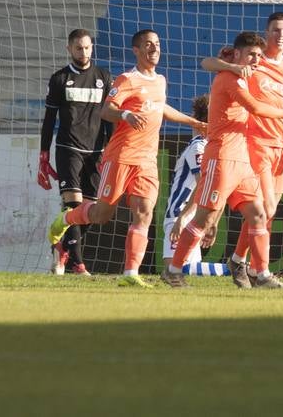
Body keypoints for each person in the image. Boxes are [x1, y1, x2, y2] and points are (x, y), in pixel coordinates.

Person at [47, 29, 206, 288]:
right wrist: (125, 116)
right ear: (137, 50)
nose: (154, 48)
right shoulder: (126, 79)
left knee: (143, 213)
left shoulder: (160, 81)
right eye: (148, 45)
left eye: (157, 43)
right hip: (120, 157)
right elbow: (106, 109)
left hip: (146, 160)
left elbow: (160, 107)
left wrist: (194, 122)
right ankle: (64, 220)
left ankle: (131, 273)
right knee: (101, 214)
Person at [160, 31, 283, 291]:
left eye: (258, 54)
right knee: (205, 219)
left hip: (242, 157)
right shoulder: (229, 78)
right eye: (251, 54)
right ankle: (174, 270)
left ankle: (262, 274)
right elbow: (254, 108)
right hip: (221, 157)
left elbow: (209, 61)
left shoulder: (243, 73)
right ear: (237, 54)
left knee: (259, 214)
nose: (256, 59)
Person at [203, 13, 283, 288]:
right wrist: (232, 67)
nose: (280, 35)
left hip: (279, 145)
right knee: (266, 207)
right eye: (276, 30)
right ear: (267, 32)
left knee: (266, 212)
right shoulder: (251, 60)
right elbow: (208, 63)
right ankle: (260, 274)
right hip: (253, 142)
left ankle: (238, 259)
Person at [38, 28, 112, 277]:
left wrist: (111, 149)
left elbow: (110, 118)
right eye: (79, 48)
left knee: (90, 212)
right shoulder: (59, 79)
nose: (84, 52)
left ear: (92, 48)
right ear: (69, 49)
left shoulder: (104, 77)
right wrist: (43, 155)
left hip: (97, 151)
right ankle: (79, 265)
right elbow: (49, 120)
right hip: (68, 148)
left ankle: (63, 246)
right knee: (73, 205)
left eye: (87, 47)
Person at [161, 97, 211, 275]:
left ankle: (240, 268)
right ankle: (243, 268)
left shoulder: (198, 147)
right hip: (194, 215)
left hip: (180, 214)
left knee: (173, 271)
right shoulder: (209, 148)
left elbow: (202, 186)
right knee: (188, 272)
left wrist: (183, 218)